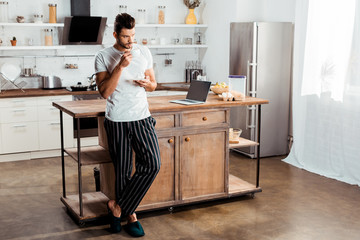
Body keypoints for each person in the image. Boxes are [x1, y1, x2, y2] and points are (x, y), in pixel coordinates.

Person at [94, 13, 161, 237]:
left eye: (133, 35)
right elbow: (104, 92)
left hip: (142, 117)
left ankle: (118, 207)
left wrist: (147, 84)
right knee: (122, 171)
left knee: (152, 164)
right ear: (115, 35)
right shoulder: (103, 56)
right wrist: (120, 67)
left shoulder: (144, 52)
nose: (131, 41)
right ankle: (131, 215)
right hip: (118, 121)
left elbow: (154, 84)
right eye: (125, 37)